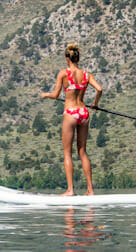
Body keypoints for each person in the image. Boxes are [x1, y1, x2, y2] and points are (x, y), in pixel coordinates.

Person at [41, 43, 103, 196]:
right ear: (78, 58)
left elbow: (55, 95)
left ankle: (70, 190)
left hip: (70, 112)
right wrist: (95, 104)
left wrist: (45, 95)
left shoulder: (63, 74)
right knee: (82, 152)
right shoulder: (87, 75)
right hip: (83, 112)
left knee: (67, 153)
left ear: (67, 59)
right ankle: (90, 190)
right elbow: (100, 89)